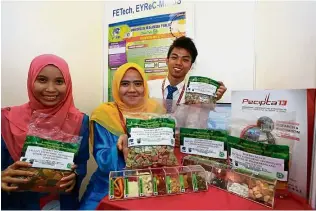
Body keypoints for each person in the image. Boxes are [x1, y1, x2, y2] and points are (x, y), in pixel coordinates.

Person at [1, 54, 89, 210]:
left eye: (59, 81)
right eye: (42, 80)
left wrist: (75, 176)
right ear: (31, 80)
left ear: (68, 84)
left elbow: (81, 162)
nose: (50, 89)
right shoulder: (7, 119)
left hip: (62, 203)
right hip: (17, 203)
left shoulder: (80, 121)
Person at [79, 62, 163, 210]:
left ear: (145, 86)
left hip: (149, 184)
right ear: (117, 86)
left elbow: (163, 155)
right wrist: (119, 146)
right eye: (125, 84)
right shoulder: (104, 114)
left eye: (138, 83)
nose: (132, 90)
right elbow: (103, 161)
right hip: (109, 185)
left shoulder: (157, 111)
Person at [148, 36, 227, 107]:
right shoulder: (148, 87)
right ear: (167, 60)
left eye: (185, 60)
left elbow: (199, 118)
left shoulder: (195, 94)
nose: (178, 63)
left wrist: (213, 98)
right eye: (174, 57)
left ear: (191, 66)